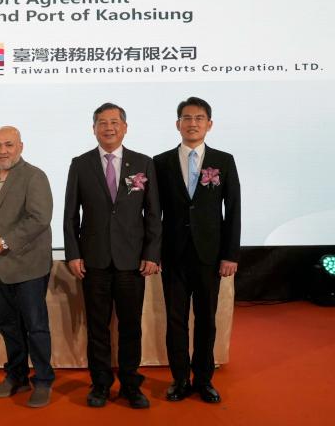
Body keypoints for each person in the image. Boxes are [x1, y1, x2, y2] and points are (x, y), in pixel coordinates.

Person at [63, 103, 161, 409]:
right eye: (102, 123)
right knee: (98, 327)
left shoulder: (143, 163)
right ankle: (101, 384)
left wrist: (152, 253)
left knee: (131, 326)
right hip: (94, 261)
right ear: (93, 129)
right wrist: (73, 254)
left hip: (132, 261)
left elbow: (153, 214)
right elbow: (70, 215)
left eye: (115, 122)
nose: (109, 127)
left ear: (125, 127)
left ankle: (131, 384)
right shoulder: (80, 164)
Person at [153, 97, 241, 404]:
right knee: (175, 319)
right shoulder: (160, 162)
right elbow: (153, 212)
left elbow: (233, 209)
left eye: (199, 118)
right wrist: (153, 252)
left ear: (209, 124)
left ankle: (203, 379)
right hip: (173, 254)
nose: (193, 123)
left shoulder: (224, 160)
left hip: (209, 255)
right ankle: (180, 379)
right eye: (187, 118)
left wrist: (230, 254)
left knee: (206, 319)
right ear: (178, 124)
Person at [0, 126, 55, 408]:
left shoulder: (34, 176)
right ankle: (17, 376)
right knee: (8, 324)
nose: (2, 151)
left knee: (35, 326)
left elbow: (39, 219)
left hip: (28, 264)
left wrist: (5, 242)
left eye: (8, 145)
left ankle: (43, 380)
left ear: (21, 147)